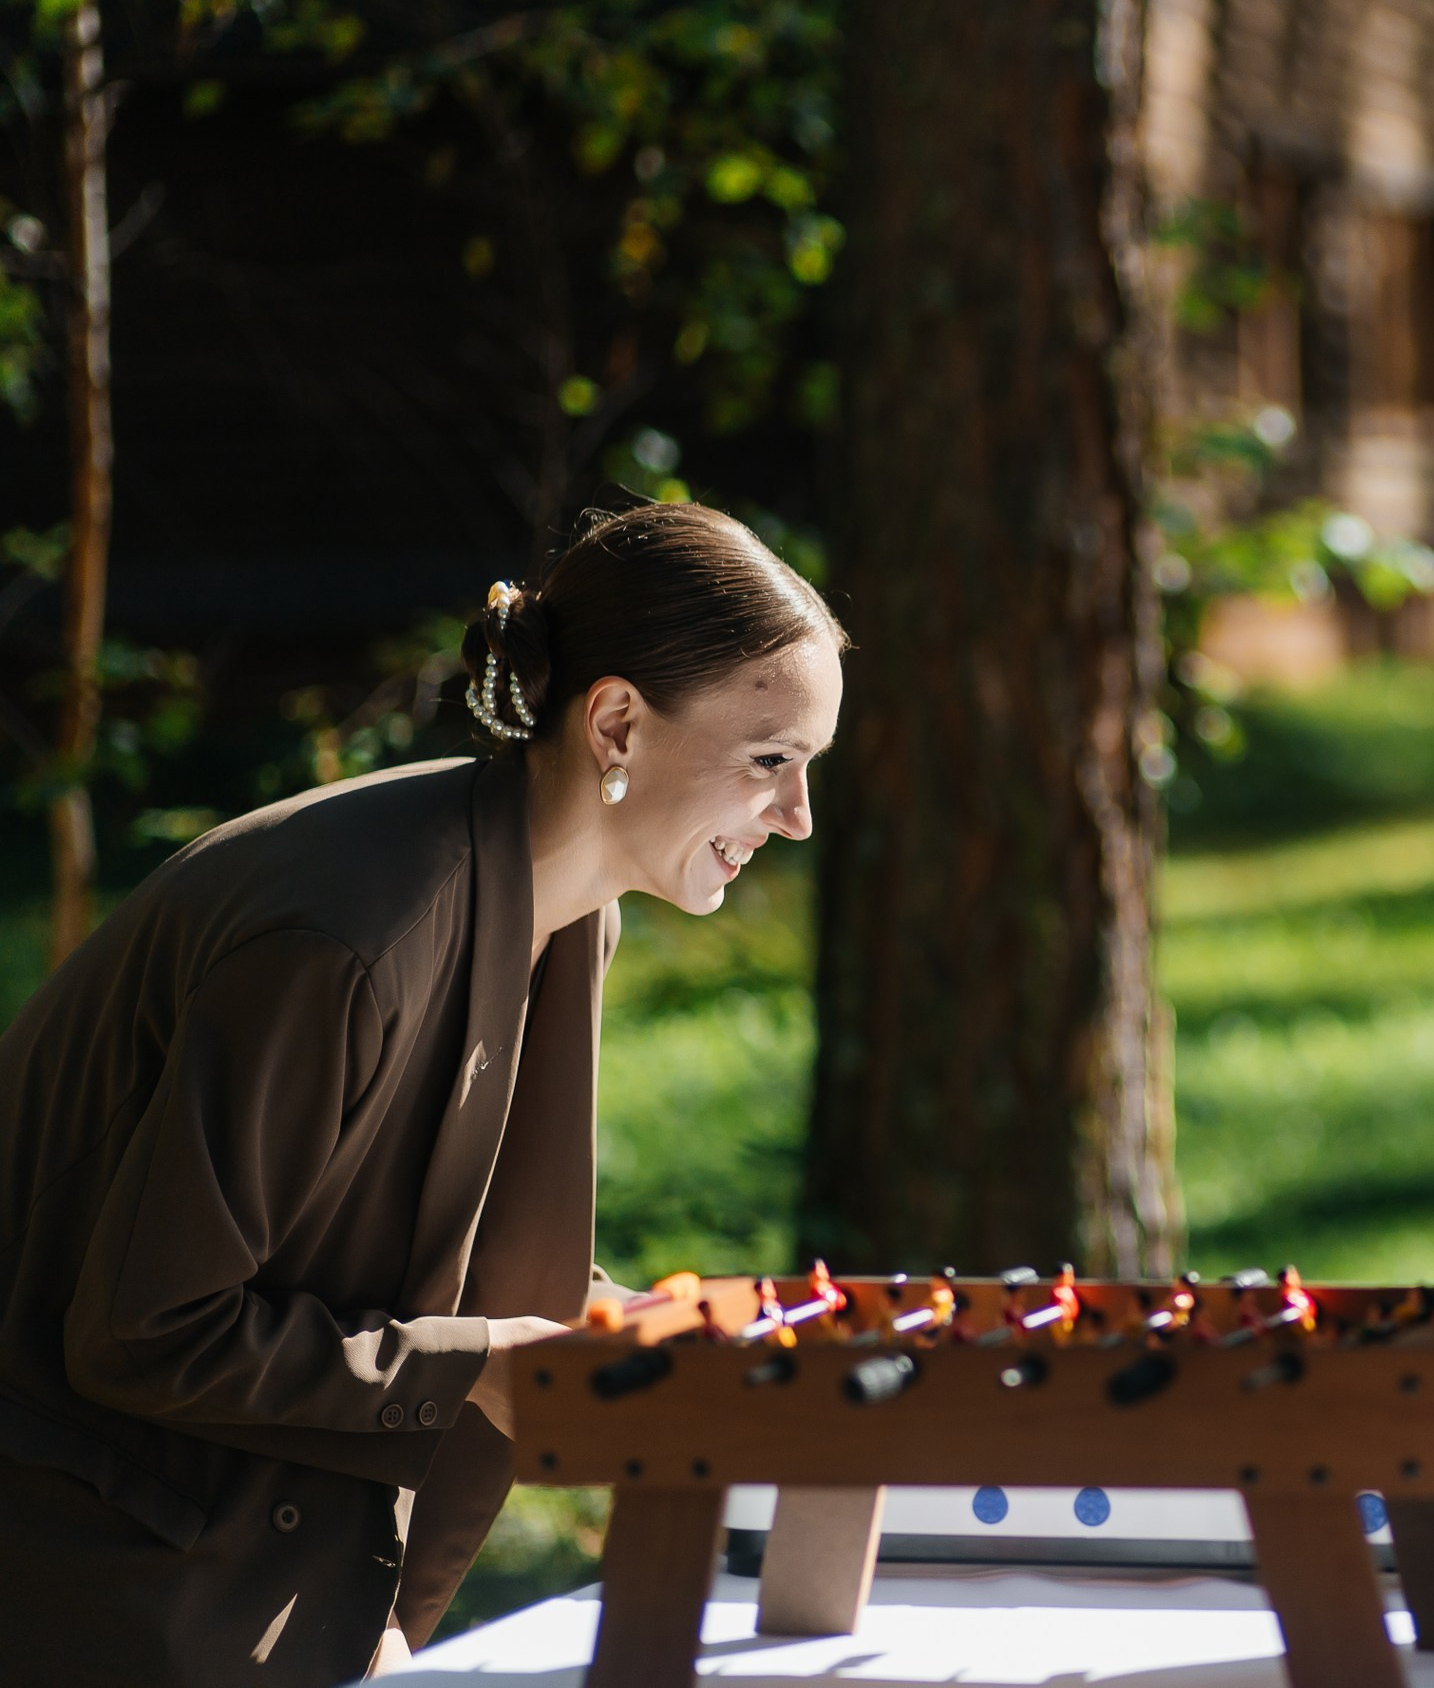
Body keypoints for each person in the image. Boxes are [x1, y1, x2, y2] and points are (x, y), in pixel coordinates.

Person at [0, 501, 847, 1685]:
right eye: (771, 762)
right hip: (91, 1598)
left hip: (254, 1581)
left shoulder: (565, 909)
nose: (797, 818)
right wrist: (483, 1363)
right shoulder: (352, 933)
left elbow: (482, 1273)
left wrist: (645, 1331)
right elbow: (147, 1330)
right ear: (615, 723)